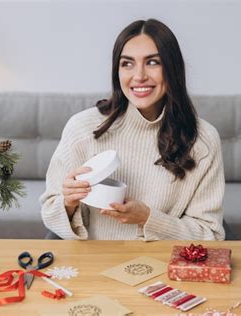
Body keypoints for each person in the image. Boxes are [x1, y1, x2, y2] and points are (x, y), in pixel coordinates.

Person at [40, 18, 225, 241]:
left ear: (173, 69)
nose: (139, 76)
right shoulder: (82, 128)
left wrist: (148, 218)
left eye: (153, 62)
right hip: (93, 263)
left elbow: (211, 234)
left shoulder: (202, 140)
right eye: (127, 63)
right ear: (117, 72)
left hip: (163, 265)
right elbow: (50, 213)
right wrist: (68, 202)